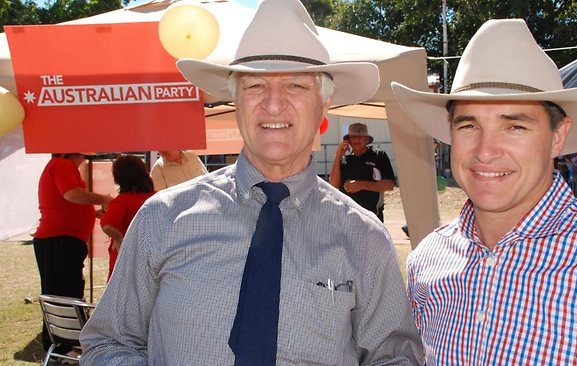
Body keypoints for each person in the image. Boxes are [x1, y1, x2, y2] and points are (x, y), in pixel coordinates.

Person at [80, 0, 423, 364]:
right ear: (235, 101)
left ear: (324, 106)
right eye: (255, 85)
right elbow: (109, 342)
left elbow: (395, 357)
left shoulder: (364, 238)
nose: (274, 105)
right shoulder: (162, 219)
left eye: (296, 86)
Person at [392, 19, 577, 364]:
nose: (486, 150)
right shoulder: (428, 259)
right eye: (469, 125)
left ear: (558, 136)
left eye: (514, 126)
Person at [33, 153, 112, 358]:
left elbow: (67, 200)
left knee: (66, 291)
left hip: (62, 240)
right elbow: (71, 195)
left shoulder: (64, 166)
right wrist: (102, 199)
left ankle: (64, 344)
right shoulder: (62, 165)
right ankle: (63, 346)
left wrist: (91, 212)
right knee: (63, 294)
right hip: (59, 240)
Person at [100, 155, 156, 280]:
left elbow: (108, 225)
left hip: (124, 264)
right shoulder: (157, 197)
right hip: (152, 260)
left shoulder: (122, 201)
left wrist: (118, 237)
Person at [329, 122, 396, 221]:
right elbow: (334, 185)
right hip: (346, 217)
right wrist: (338, 155)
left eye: (360, 136)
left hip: (372, 217)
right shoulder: (344, 159)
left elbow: (389, 185)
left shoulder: (378, 156)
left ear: (367, 139)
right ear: (348, 140)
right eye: (353, 137)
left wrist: (360, 185)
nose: (356, 140)